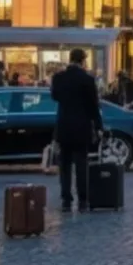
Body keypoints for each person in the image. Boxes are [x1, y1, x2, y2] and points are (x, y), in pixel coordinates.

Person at [50, 48, 103, 211]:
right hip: (82, 126)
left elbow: (55, 97)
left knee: (64, 165)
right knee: (81, 164)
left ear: (70, 59)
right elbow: (93, 105)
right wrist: (99, 125)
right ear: (83, 61)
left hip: (64, 125)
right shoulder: (87, 79)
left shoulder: (58, 78)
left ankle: (66, 199)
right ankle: (83, 200)